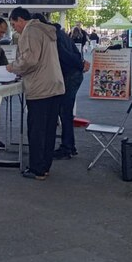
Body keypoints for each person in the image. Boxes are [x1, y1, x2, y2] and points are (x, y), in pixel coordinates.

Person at [6, 7, 65, 180]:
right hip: (54, 84)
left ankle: (37, 168)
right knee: (49, 130)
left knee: (37, 130)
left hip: (40, 87)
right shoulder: (46, 30)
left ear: (20, 19)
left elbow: (30, 60)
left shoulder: (30, 31)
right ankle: (44, 166)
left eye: (13, 24)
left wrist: (13, 67)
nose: (14, 28)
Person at [51, 19, 90, 160]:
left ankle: (67, 147)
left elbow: (65, 56)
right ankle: (70, 146)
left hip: (70, 75)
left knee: (65, 112)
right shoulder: (61, 34)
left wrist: (80, 65)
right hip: (74, 74)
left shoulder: (55, 37)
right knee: (65, 112)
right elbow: (75, 54)